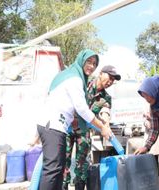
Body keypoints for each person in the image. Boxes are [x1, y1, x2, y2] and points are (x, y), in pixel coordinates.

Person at [36, 49, 112, 190]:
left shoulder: (72, 76)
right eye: (88, 61)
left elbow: (105, 111)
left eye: (94, 63)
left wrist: (105, 124)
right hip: (54, 126)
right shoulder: (76, 79)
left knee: (57, 169)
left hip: (58, 126)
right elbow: (82, 108)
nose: (91, 66)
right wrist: (102, 128)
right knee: (54, 170)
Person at [62, 65, 121, 190]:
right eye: (109, 77)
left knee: (82, 165)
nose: (110, 81)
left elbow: (105, 112)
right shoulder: (84, 83)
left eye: (113, 80)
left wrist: (106, 125)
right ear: (100, 73)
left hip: (83, 131)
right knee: (62, 161)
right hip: (67, 126)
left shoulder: (106, 98)